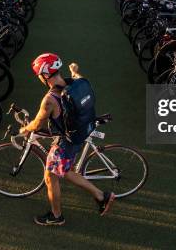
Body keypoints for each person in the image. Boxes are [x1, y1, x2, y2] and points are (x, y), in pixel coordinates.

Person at [19, 53, 115, 226]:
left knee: (52, 176)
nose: (39, 78)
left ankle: (59, 215)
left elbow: (38, 124)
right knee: (62, 171)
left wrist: (24, 129)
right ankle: (99, 197)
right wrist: (75, 71)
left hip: (66, 142)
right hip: (81, 132)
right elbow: (79, 78)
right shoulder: (75, 83)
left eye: (39, 75)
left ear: (45, 75)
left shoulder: (50, 99)